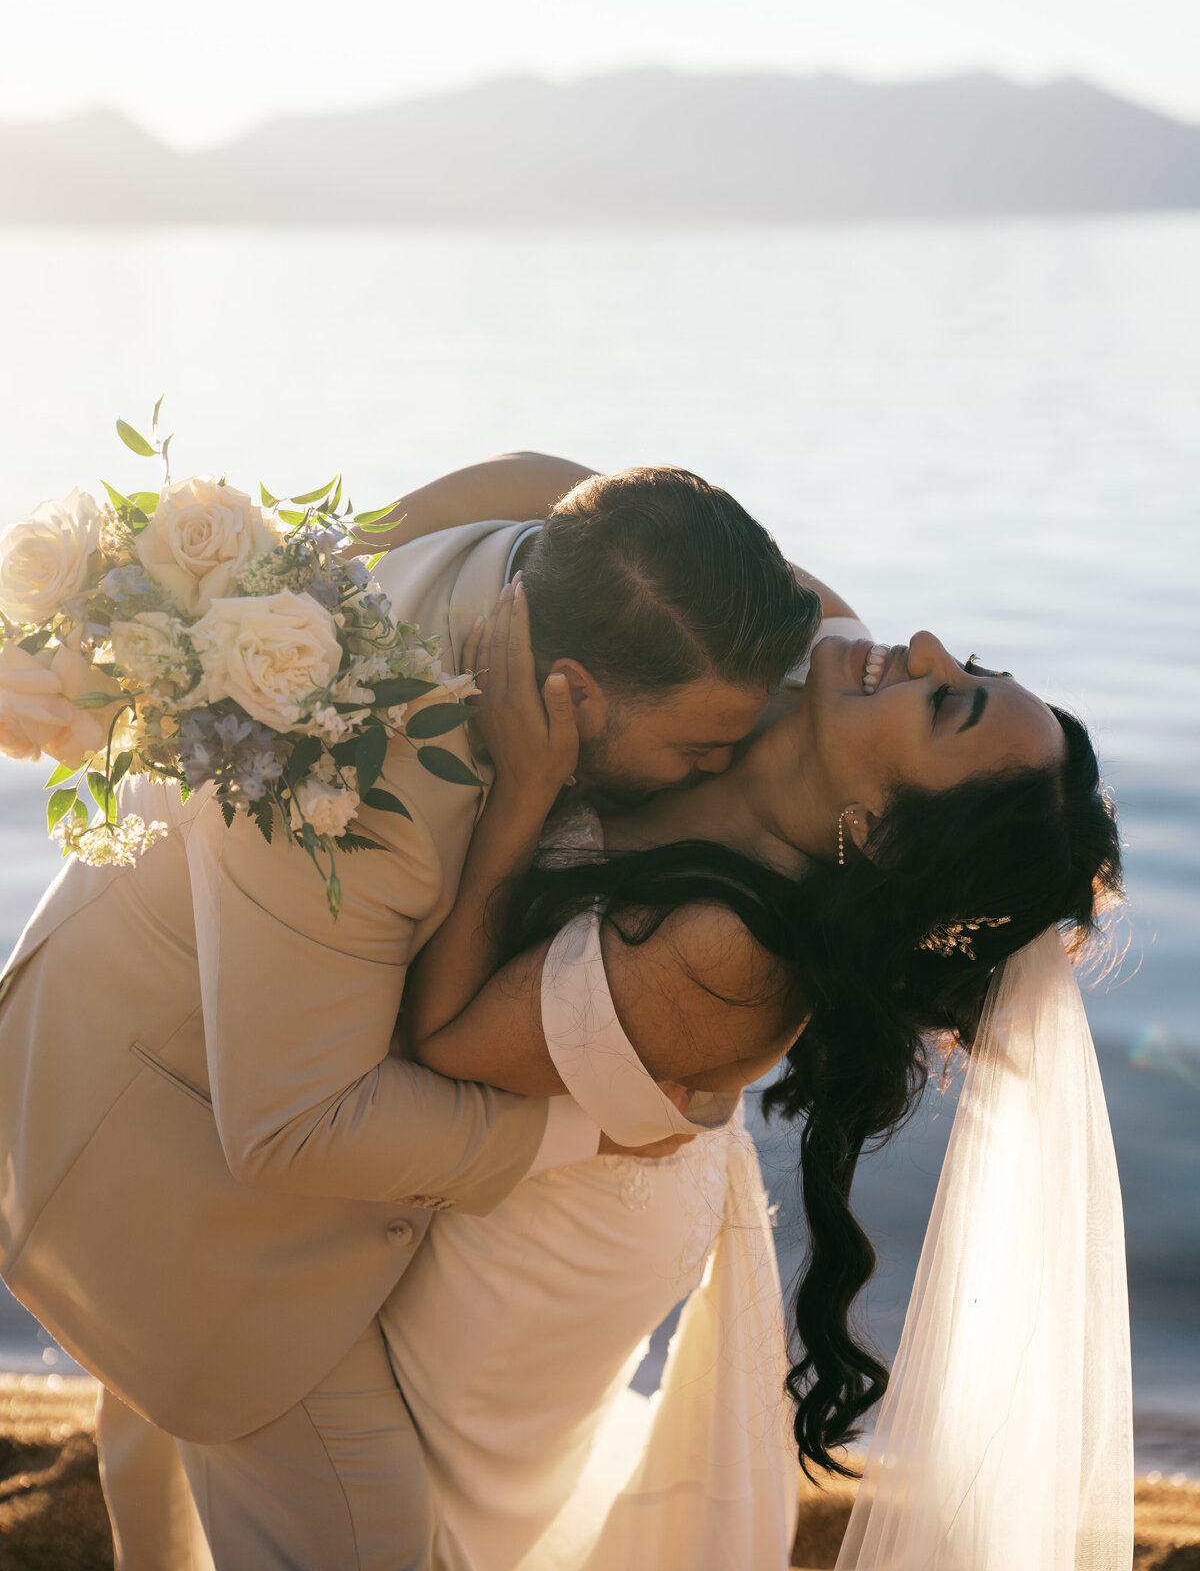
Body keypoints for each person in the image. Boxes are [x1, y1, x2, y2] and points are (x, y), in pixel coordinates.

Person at [0, 459, 818, 1571]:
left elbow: (544, 471)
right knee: (365, 1536)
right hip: (154, 1150)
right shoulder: (365, 785)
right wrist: (586, 1133)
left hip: (145, 984)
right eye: (700, 751)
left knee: (162, 1450)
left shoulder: (565, 548)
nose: (723, 766)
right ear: (567, 695)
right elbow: (292, 1127)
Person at [360, 529, 1124, 1567]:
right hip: (568, 1148)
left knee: (450, 1495)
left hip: (551, 1243)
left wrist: (525, 791)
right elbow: (636, 531)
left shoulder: (730, 960)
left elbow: (448, 1038)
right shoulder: (821, 658)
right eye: (973, 670)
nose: (931, 648)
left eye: (948, 702)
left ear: (885, 833)